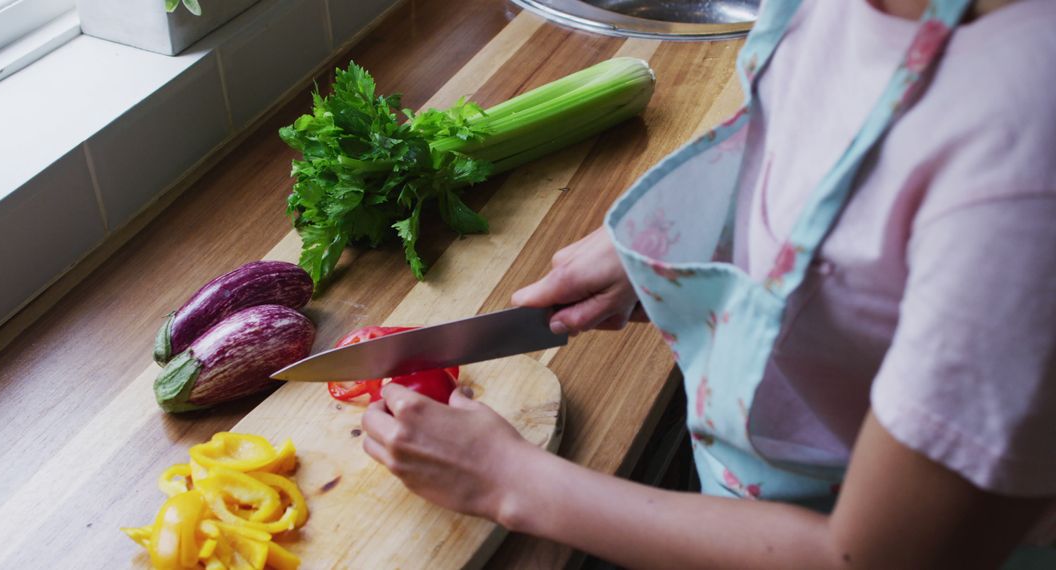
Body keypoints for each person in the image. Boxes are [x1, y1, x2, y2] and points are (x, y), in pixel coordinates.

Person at [360, 0, 1056, 566]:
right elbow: (819, 139)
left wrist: (511, 483)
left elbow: (870, 560)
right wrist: (682, 240)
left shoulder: (1024, 165)